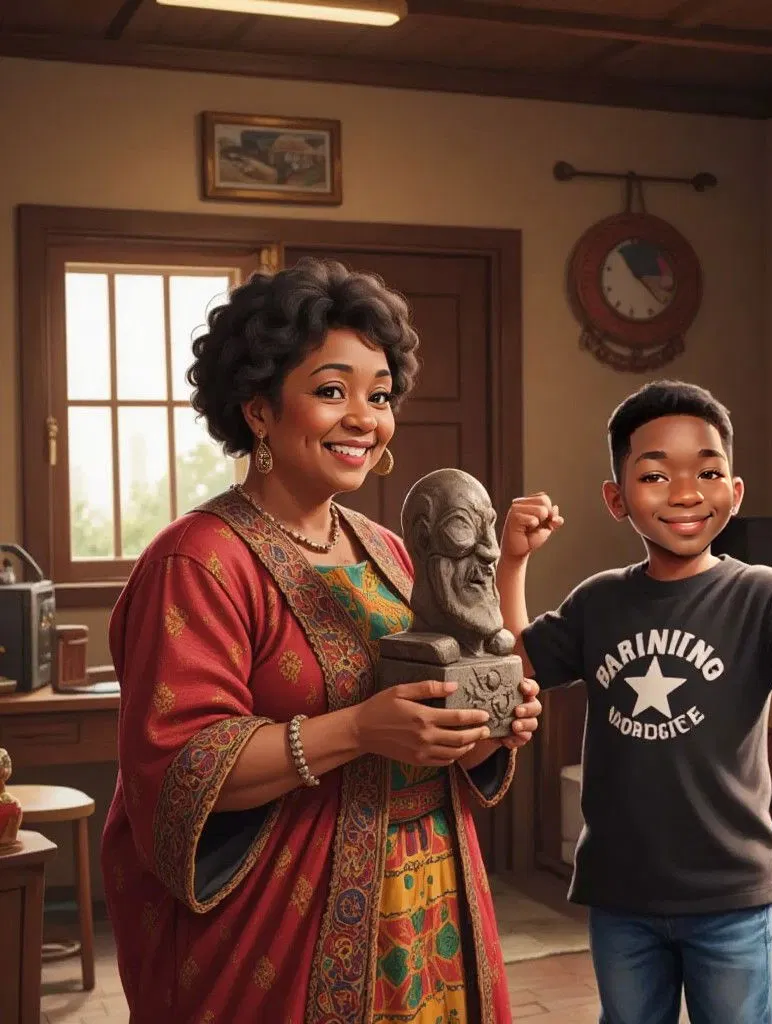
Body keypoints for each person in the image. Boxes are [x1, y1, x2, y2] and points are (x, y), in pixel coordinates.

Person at [100, 258, 542, 1024]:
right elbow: (176, 771)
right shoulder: (198, 559)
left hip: (430, 889)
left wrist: (480, 731)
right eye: (332, 391)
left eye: (379, 395)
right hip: (281, 922)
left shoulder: (388, 547)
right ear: (259, 409)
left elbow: (433, 710)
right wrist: (359, 729)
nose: (364, 418)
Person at [495, 380, 772, 1024]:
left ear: (733, 493)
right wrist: (511, 563)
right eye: (655, 475)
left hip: (730, 893)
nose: (685, 493)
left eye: (708, 472)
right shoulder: (599, 601)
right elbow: (517, 665)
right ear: (617, 498)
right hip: (620, 889)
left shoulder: (761, 596)